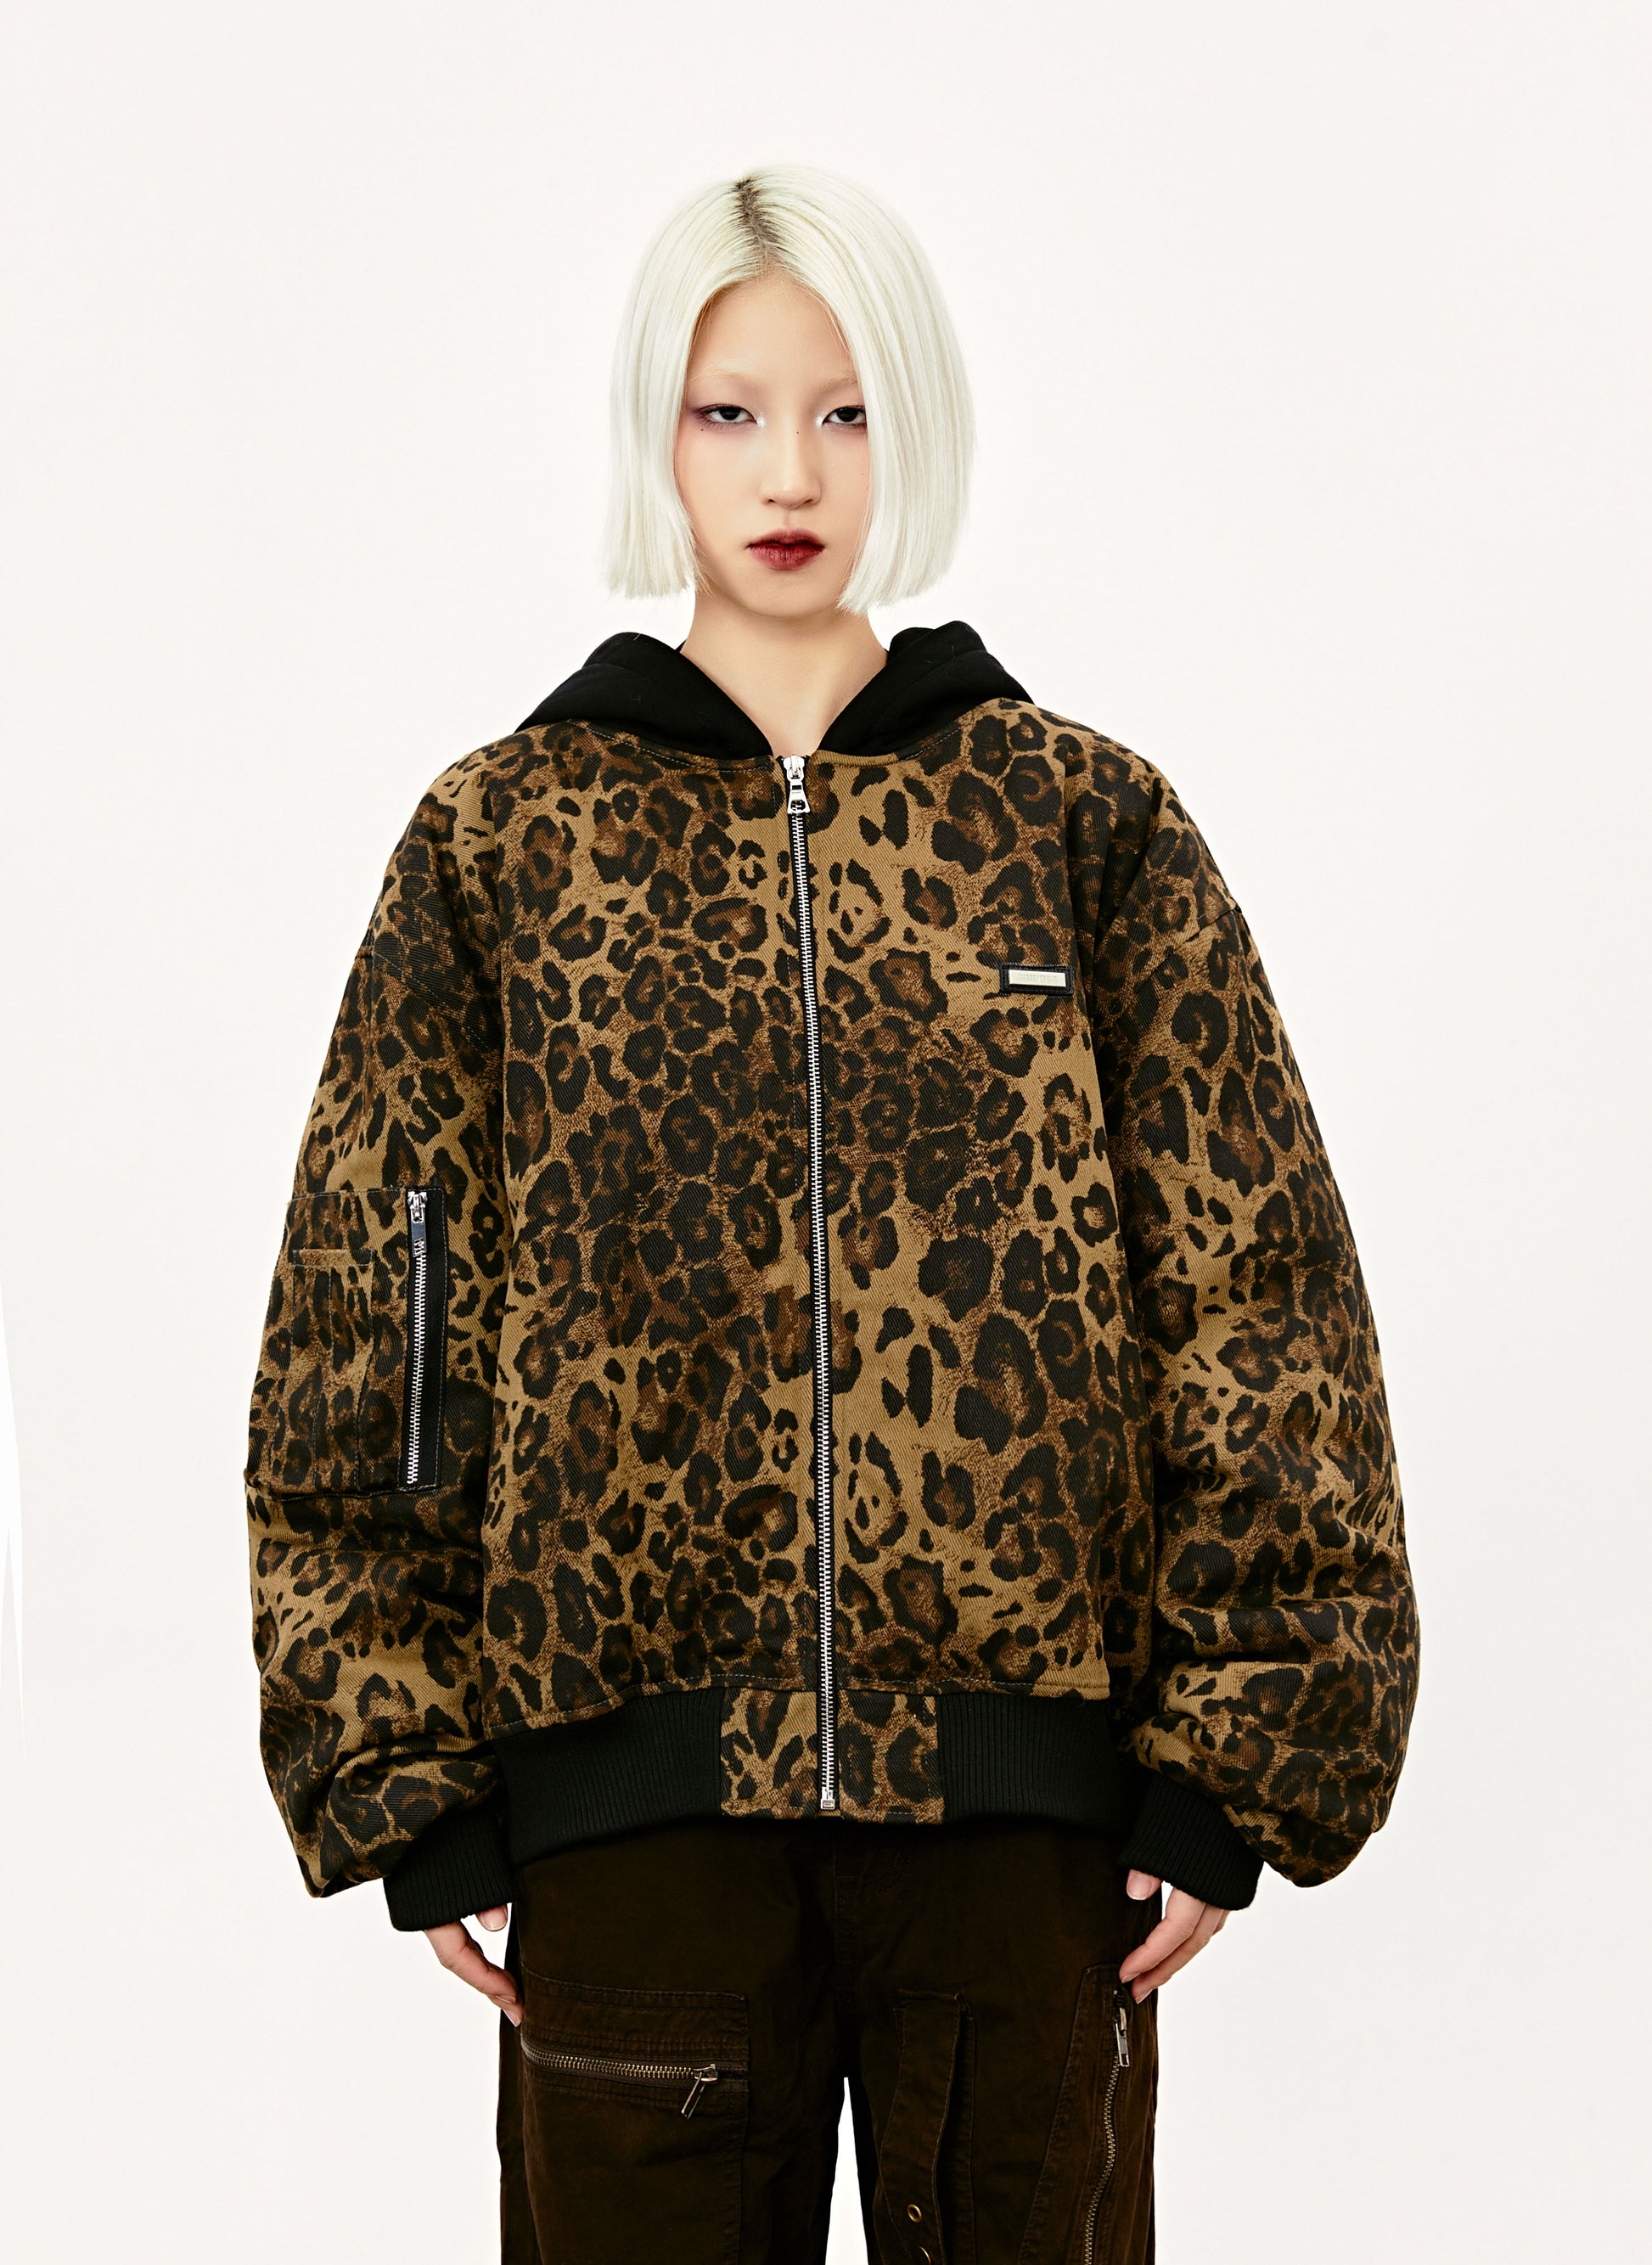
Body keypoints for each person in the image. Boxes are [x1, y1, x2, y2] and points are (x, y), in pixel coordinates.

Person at [244, 163, 1419, 2264]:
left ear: (916, 424)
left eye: (846, 411)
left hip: (1023, 1834)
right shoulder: (506, 841)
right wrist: (396, 1763)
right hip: (631, 1813)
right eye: (731, 412)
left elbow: (1253, 1286)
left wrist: (1244, 1751)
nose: (789, 471)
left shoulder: (1078, 821)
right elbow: (382, 1299)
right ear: (657, 431)